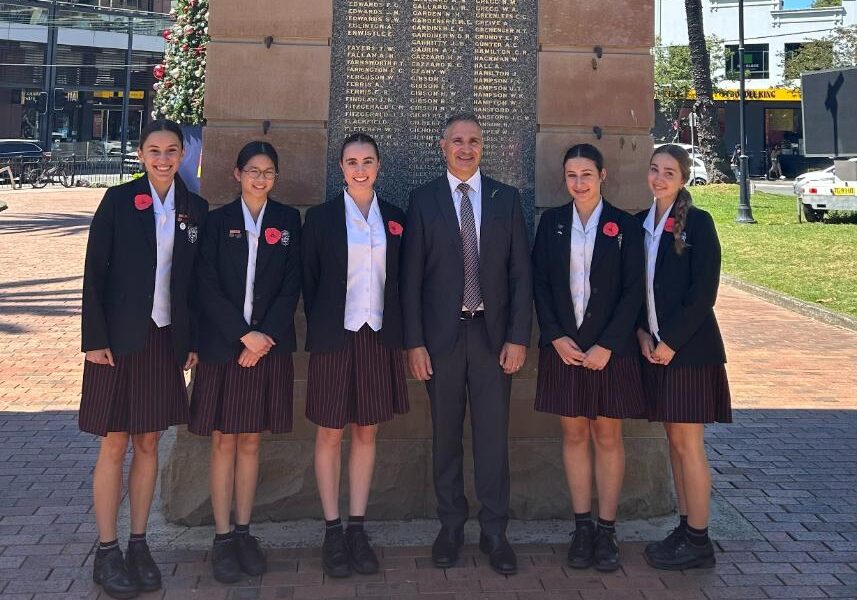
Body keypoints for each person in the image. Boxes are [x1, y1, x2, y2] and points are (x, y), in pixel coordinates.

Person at [80, 118, 208, 599]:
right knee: (115, 442)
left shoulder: (195, 208)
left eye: (171, 150)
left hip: (163, 338)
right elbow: (94, 273)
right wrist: (94, 339)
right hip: (116, 340)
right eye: (154, 150)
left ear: (182, 155)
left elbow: (192, 285)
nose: (163, 159)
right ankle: (107, 549)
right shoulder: (118, 201)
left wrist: (191, 340)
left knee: (149, 442)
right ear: (140, 154)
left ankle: (138, 543)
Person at [401, 112, 532, 575]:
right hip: (442, 340)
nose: (465, 148)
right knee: (446, 437)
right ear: (443, 147)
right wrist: (414, 343)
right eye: (457, 140)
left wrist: (518, 337)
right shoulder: (423, 200)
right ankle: (451, 527)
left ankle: (495, 532)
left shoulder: (505, 199)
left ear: (482, 147)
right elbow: (410, 279)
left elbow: (520, 275)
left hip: (492, 338)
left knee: (493, 439)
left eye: (474, 140)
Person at [188, 141, 301, 583]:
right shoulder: (217, 222)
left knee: (251, 441)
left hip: (267, 347)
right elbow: (205, 284)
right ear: (237, 174)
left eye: (268, 172)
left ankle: (243, 531)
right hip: (225, 347)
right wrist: (242, 334)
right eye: (253, 170)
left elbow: (292, 285)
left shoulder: (287, 220)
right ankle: (221, 538)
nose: (260, 178)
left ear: (276, 178)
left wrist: (263, 336)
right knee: (224, 441)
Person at [531, 143, 645, 572]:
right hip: (565, 350)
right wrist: (555, 336)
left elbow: (634, 291)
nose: (579, 183)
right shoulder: (552, 223)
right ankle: (582, 528)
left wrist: (608, 345)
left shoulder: (624, 226)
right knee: (575, 435)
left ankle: (606, 529)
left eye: (586, 175)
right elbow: (541, 284)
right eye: (571, 176)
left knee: (607, 437)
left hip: (609, 353)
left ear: (603, 176)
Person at [301, 132, 409, 578]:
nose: (360, 169)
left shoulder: (396, 218)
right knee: (330, 432)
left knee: (367, 432)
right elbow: (309, 281)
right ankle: (332, 529)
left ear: (378, 165)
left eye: (367, 161)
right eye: (351, 162)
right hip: (335, 337)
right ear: (341, 168)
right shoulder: (321, 219)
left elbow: (402, 279)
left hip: (378, 337)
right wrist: (327, 324)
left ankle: (357, 528)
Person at [637, 144, 732, 571]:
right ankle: (685, 525)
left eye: (669, 173)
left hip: (689, 353)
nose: (659, 179)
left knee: (690, 445)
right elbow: (639, 291)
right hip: (655, 350)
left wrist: (671, 342)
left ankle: (699, 540)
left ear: (683, 178)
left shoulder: (699, 222)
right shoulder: (643, 223)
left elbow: (703, 293)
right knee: (674, 443)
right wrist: (642, 333)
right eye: (654, 170)